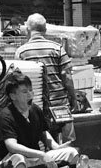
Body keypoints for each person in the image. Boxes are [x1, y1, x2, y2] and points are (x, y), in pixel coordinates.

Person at [0, 70, 79, 168]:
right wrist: (42, 155)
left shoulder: (35, 110)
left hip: (34, 158)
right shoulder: (6, 116)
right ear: (13, 96)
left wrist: (56, 147)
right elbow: (12, 146)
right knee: (18, 159)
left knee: (71, 153)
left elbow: (43, 133)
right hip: (8, 161)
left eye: (31, 90)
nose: (30, 94)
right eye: (25, 91)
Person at [15, 14, 77, 144]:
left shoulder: (21, 52)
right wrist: (73, 98)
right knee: (69, 143)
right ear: (45, 30)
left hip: (37, 108)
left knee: (45, 144)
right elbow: (67, 76)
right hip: (60, 105)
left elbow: (18, 81)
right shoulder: (57, 48)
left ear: (28, 30)